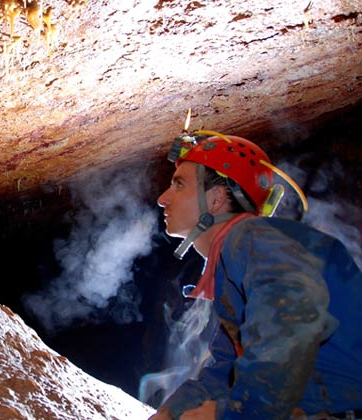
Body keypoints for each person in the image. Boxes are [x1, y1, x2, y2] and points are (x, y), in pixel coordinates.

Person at [149, 130, 362, 420]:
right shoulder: (235, 267)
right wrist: (171, 412)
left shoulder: (247, 236)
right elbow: (225, 372)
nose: (163, 198)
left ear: (216, 199)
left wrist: (237, 414)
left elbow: (293, 310)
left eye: (179, 184)